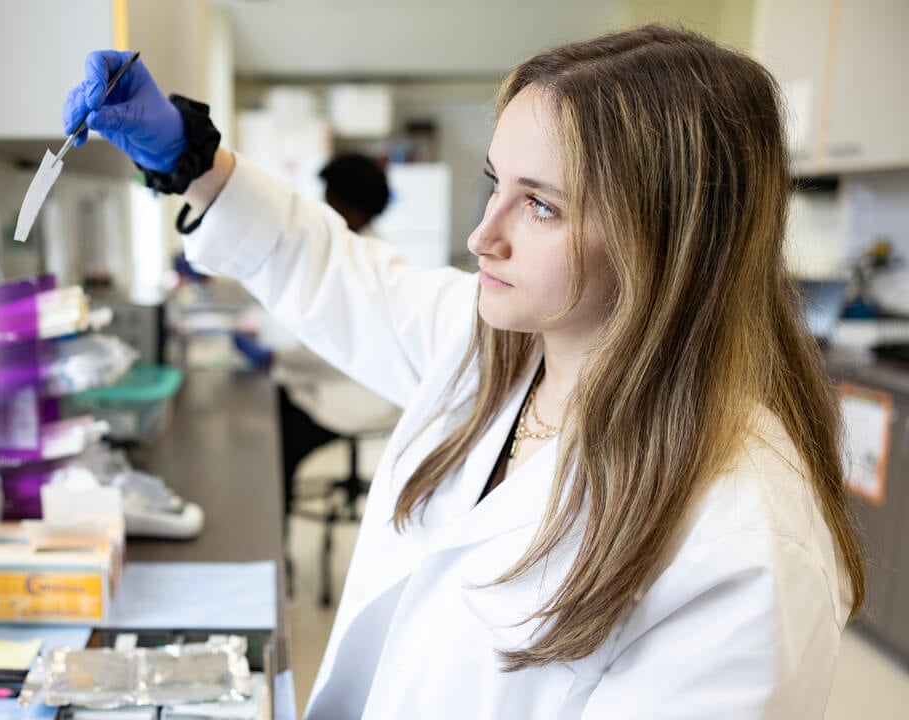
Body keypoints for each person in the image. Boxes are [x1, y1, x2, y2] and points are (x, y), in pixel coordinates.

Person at [64, 25, 865, 719]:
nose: (484, 235)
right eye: (495, 184)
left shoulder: (745, 550)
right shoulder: (495, 350)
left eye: (541, 205)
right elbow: (333, 272)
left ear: (671, 238)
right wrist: (190, 157)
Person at [233, 154, 402, 548]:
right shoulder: (362, 247)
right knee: (269, 410)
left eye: (332, 200)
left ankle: (276, 550)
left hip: (360, 394)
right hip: (341, 380)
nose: (326, 207)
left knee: (271, 444)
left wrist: (274, 358)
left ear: (353, 206)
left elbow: (335, 354)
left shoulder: (367, 263)